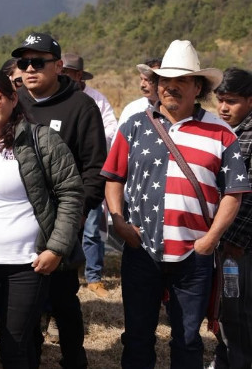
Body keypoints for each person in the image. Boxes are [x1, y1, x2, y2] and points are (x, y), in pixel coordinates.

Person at [102, 40, 250, 368]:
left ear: (198, 86)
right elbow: (113, 177)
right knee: (138, 337)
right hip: (141, 249)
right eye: (164, 80)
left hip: (193, 256)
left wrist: (210, 241)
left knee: (187, 340)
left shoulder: (221, 132)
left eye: (180, 80)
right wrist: (118, 223)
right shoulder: (134, 125)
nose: (170, 87)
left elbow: (234, 193)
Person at [0, 70, 83, 368]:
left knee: (12, 343)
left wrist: (56, 248)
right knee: (23, 339)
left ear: (13, 98)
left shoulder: (41, 139)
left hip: (30, 262)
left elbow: (71, 192)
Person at [13, 32, 105, 368]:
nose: (30, 68)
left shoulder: (80, 106)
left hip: (61, 222)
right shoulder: (15, 102)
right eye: (24, 62)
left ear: (59, 66)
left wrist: (76, 217)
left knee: (63, 299)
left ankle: (73, 358)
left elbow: (95, 168)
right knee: (25, 303)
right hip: (18, 222)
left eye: (39, 62)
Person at [60, 52, 118, 298]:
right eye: (60, 72)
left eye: (68, 73)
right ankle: (65, 273)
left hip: (89, 171)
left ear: (79, 75)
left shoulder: (96, 99)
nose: (63, 76)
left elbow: (111, 130)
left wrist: (86, 138)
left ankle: (93, 276)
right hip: (62, 172)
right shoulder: (57, 98)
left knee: (93, 227)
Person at [211, 67, 252, 369]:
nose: (224, 108)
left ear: (250, 101)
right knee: (225, 308)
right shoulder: (231, 131)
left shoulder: (248, 137)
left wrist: (234, 240)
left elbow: (247, 197)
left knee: (238, 312)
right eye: (220, 100)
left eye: (232, 101)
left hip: (241, 244)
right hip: (226, 238)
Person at [117, 58, 161, 126]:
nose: (142, 84)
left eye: (147, 80)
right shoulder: (132, 109)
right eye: (141, 79)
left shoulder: (175, 108)